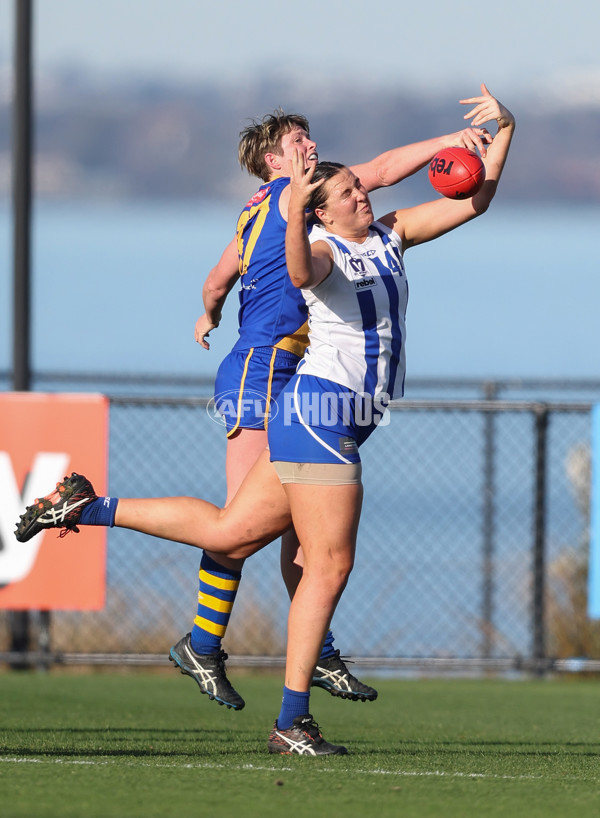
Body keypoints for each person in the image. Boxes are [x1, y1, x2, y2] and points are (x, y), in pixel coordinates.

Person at [15, 84, 515, 755]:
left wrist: (504, 130)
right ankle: (292, 719)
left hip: (323, 414)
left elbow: (474, 200)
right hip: (319, 416)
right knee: (326, 567)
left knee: (233, 531)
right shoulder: (324, 246)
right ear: (318, 209)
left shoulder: (390, 236)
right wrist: (296, 218)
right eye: (348, 195)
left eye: (357, 191)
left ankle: (86, 506)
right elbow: (303, 271)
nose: (361, 195)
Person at [179, 107, 493, 710]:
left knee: (296, 530)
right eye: (298, 141)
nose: (312, 143)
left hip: (294, 368)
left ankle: (312, 652)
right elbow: (376, 169)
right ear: (274, 161)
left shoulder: (259, 207)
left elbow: (219, 275)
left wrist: (209, 312)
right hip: (264, 365)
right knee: (240, 527)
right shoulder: (287, 198)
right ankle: (203, 642)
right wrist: (450, 142)